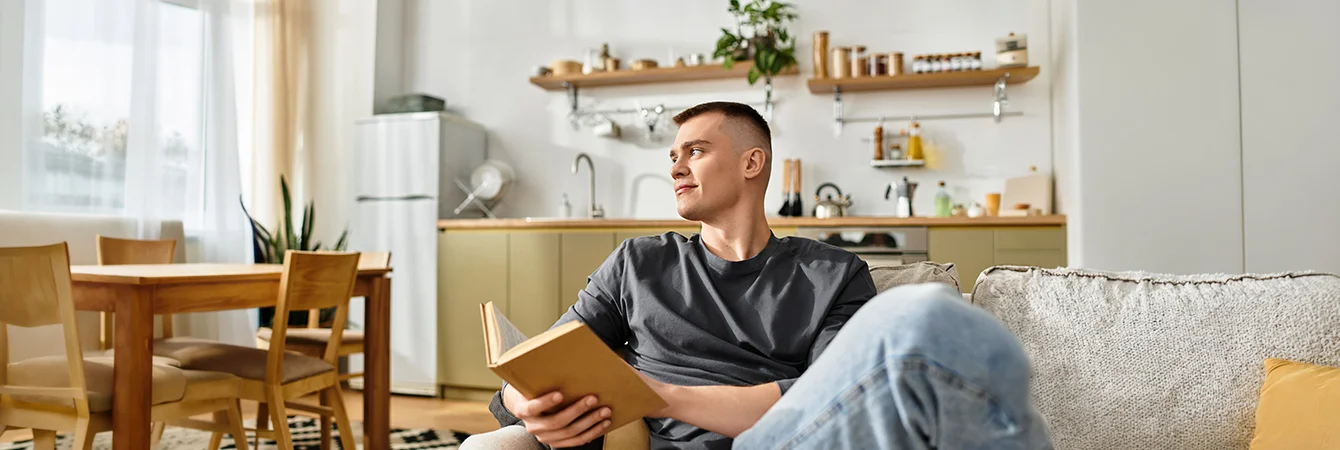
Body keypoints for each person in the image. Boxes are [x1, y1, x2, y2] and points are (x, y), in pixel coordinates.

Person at [460, 102, 1052, 450]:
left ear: (751, 162)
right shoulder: (637, 263)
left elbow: (827, 400)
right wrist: (522, 397)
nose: (676, 166)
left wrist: (662, 395)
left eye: (694, 151)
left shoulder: (833, 273)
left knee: (928, 317)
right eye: (672, 156)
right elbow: (542, 361)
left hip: (780, 441)